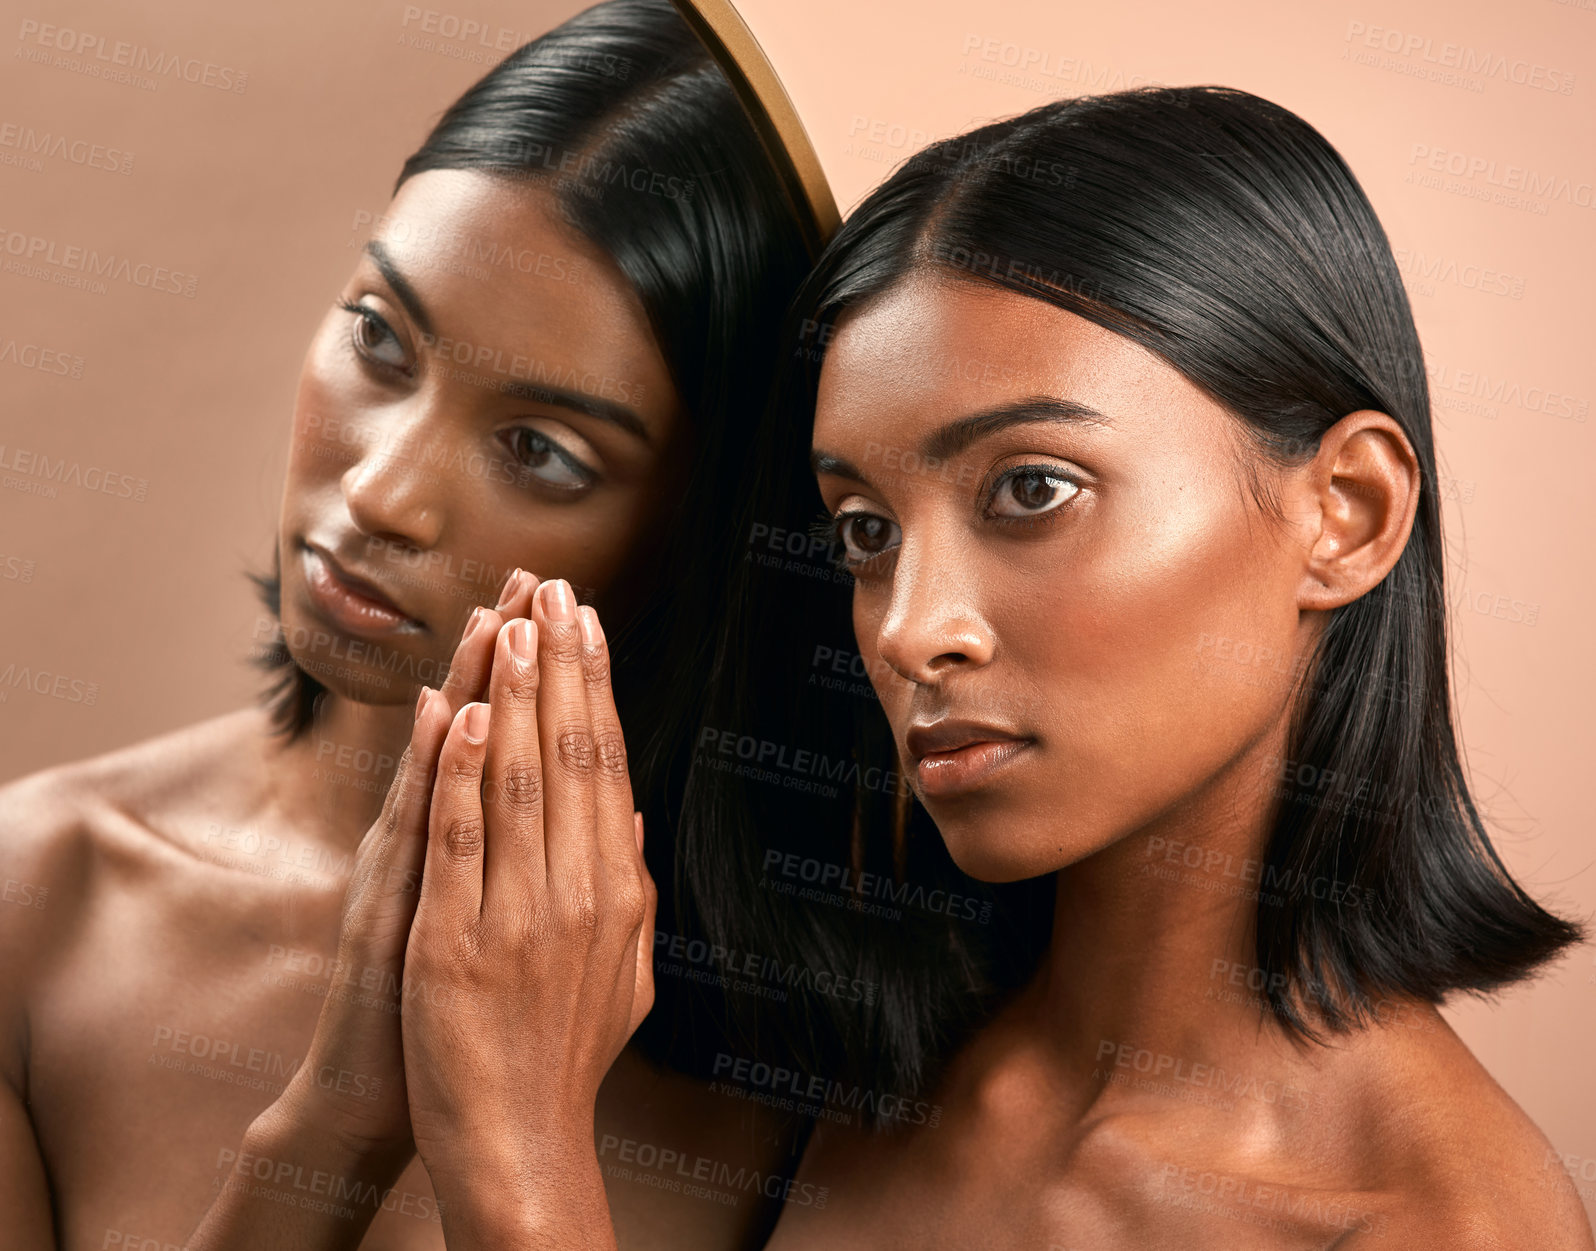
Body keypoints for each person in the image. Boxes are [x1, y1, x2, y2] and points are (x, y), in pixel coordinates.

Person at [696, 86, 1592, 1247]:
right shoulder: (841, 1063)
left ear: (1349, 515)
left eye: (1032, 489)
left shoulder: (1443, 1226)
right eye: (866, 530)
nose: (911, 631)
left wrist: (516, 1161)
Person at [0, 2, 813, 1247]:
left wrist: (517, 1148)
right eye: (380, 338)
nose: (381, 490)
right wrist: (327, 1128)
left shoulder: (824, 1053)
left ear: (707, 530)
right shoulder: (44, 901)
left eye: (540, 450)